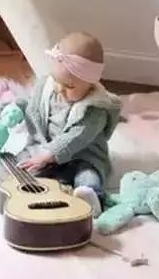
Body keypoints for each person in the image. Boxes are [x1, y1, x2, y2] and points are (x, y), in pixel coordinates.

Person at [13, 31, 121, 216]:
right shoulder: (47, 87)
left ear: (91, 83)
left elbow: (76, 137)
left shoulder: (95, 109)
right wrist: (17, 109)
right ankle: (50, 188)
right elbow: (33, 107)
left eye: (69, 86)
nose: (60, 89)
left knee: (88, 175)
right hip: (46, 148)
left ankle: (91, 197)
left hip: (82, 155)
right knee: (23, 166)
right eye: (56, 80)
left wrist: (49, 154)